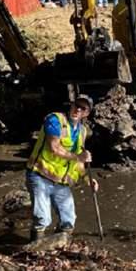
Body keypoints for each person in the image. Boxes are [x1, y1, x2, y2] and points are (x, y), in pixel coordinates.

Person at [25, 95, 98, 242]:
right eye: (76, 105)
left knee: (68, 220)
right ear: (71, 105)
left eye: (83, 108)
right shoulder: (55, 120)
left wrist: (86, 178)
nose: (78, 109)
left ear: (86, 113)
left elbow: (78, 162)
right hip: (40, 176)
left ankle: (58, 246)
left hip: (61, 182)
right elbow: (54, 148)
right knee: (42, 218)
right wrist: (79, 157)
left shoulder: (82, 131)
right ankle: (35, 250)